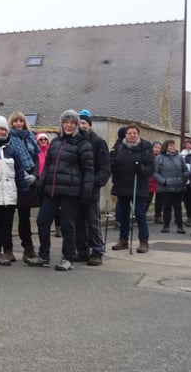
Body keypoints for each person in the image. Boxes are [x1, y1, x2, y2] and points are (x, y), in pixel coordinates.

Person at [35, 110, 93, 271]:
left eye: (72, 122)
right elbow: (48, 166)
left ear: (76, 125)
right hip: (51, 190)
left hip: (71, 192)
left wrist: (86, 192)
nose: (69, 125)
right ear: (61, 124)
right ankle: (44, 255)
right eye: (66, 122)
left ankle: (68, 258)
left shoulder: (83, 144)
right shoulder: (55, 142)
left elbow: (88, 171)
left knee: (67, 225)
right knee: (42, 221)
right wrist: (41, 184)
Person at [0, 115, 29, 269]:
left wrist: (23, 191)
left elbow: (19, 172)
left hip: (9, 193)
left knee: (6, 224)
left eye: (3, 129)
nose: (0, 132)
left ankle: (2, 252)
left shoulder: (12, 149)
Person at [110, 124, 154, 253]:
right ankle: (123, 239)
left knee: (140, 213)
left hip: (138, 186)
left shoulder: (145, 147)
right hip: (122, 185)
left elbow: (151, 167)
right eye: (129, 133)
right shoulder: (119, 147)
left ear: (138, 134)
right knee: (123, 214)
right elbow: (113, 162)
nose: (132, 135)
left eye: (134, 133)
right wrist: (112, 166)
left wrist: (141, 169)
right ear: (125, 135)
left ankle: (143, 241)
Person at [74, 109, 111, 266]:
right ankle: (82, 250)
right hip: (76, 188)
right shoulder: (74, 141)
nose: (82, 126)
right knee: (78, 221)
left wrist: (95, 182)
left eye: (84, 123)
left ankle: (97, 251)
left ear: (89, 125)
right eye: (79, 123)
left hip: (91, 188)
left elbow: (105, 168)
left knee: (93, 221)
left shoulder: (98, 142)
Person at [7, 111, 40, 264]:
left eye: (21, 121)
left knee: (25, 218)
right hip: (14, 181)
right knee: (7, 218)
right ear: (11, 123)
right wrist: (21, 174)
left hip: (29, 183)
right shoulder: (9, 139)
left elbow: (36, 159)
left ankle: (28, 247)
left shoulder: (30, 137)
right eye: (15, 121)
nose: (18, 124)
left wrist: (34, 175)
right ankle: (7, 249)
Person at [154, 139, 189, 234]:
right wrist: (164, 181)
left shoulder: (179, 157)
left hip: (179, 186)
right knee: (167, 207)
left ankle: (180, 226)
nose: (173, 147)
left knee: (178, 207)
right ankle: (166, 226)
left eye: (174, 145)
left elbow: (185, 170)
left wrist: (183, 180)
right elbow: (155, 173)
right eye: (170, 145)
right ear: (166, 147)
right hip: (166, 187)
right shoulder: (159, 158)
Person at [148, 141, 163, 223]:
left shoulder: (162, 158)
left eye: (159, 148)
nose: (157, 149)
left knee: (159, 201)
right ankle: (142, 214)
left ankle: (158, 216)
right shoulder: (148, 157)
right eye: (155, 147)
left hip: (159, 182)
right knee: (147, 199)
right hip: (149, 181)